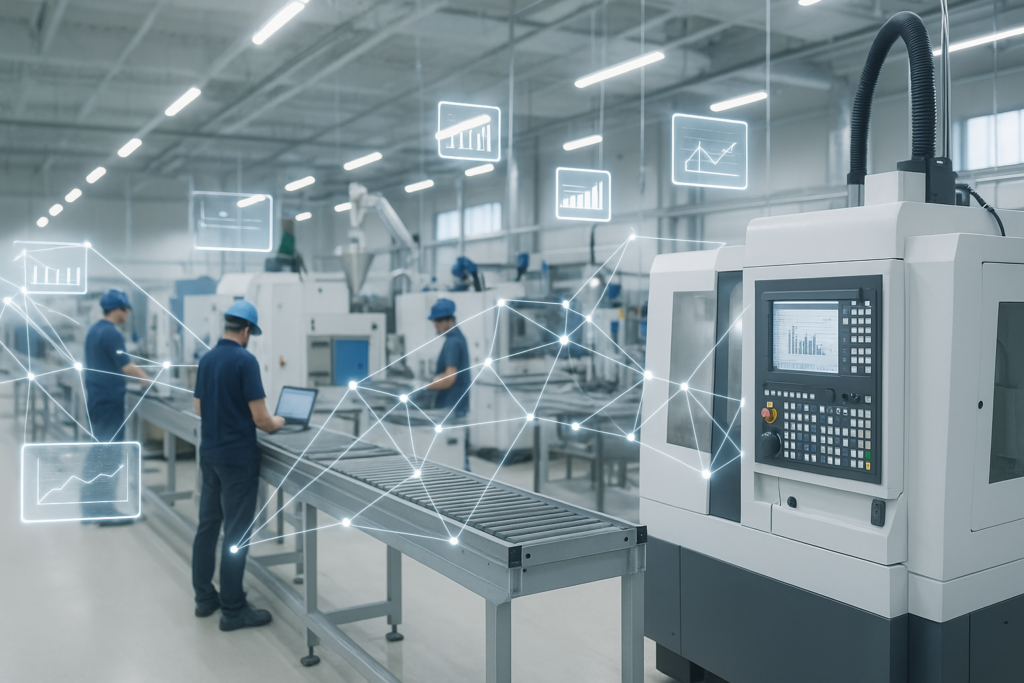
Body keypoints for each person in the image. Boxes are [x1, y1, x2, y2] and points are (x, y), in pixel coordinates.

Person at [191, 300, 285, 631]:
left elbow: (200, 409)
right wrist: (281, 420)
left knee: (208, 526)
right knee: (236, 534)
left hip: (211, 455)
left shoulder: (207, 359)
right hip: (238, 460)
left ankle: (205, 598)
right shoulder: (245, 361)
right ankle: (233, 609)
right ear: (246, 331)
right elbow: (262, 419)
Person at [83, 289, 151, 526]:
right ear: (118, 310)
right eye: (126, 310)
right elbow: (126, 365)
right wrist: (145, 378)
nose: (127, 314)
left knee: (98, 452)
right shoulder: (111, 333)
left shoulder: (94, 330)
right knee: (108, 455)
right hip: (109, 401)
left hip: (97, 398)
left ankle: (90, 508)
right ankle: (103, 511)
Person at [425, 298, 471, 418]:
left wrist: (424, 387)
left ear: (450, 320)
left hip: (450, 406)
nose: (435, 323)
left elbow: (449, 379)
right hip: (457, 405)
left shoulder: (453, 342)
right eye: (434, 320)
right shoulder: (458, 338)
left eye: (438, 320)